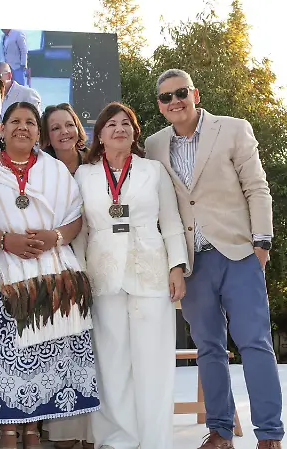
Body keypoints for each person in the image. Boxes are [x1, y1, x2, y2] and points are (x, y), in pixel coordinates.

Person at [145, 69, 283, 449]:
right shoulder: (154, 145)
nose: (175, 101)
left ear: (196, 94)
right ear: (160, 105)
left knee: (255, 343)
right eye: (166, 97)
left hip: (240, 254)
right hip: (193, 263)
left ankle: (270, 434)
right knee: (209, 348)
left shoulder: (234, 129)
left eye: (181, 93)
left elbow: (257, 187)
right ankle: (220, 431)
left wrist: (262, 244)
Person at [0, 101, 99, 449]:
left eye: (30, 122)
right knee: (7, 358)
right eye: (14, 121)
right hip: (5, 276)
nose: (22, 127)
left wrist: (55, 237)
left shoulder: (55, 169)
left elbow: (76, 216)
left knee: (46, 354)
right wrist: (4, 240)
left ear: (38, 132)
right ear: (1, 129)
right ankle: (9, 431)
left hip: (51, 276)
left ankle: (33, 428)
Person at [74, 102, 188, 449]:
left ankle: (155, 440)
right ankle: (118, 439)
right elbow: (80, 232)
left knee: (153, 361)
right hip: (102, 276)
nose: (119, 129)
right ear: (100, 135)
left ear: (135, 131)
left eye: (126, 123)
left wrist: (177, 267)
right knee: (111, 362)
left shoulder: (152, 171)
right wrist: (78, 276)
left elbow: (170, 222)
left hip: (150, 271)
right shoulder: (84, 174)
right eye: (111, 124)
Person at [39, 103, 94, 449]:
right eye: (55, 128)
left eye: (68, 125)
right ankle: (62, 432)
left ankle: (93, 431)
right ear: (46, 136)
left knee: (95, 348)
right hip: (54, 264)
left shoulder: (96, 167)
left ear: (78, 127)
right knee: (63, 347)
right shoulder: (41, 171)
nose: (63, 133)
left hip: (95, 260)